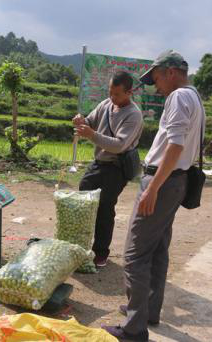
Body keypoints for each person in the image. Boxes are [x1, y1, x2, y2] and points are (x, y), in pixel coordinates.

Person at [102, 50, 206, 341]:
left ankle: (135, 329)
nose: (156, 86)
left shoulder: (178, 97)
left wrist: (152, 187)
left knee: (135, 255)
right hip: (177, 181)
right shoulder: (194, 96)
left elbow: (174, 146)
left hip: (163, 181)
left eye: (157, 78)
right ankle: (148, 310)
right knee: (158, 248)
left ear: (171, 72)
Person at [73, 70, 144, 268]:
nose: (113, 97)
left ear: (129, 93)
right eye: (110, 92)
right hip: (98, 163)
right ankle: (81, 245)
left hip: (116, 167)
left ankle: (100, 253)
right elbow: (90, 120)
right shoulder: (106, 104)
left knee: (105, 208)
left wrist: (91, 134)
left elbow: (119, 145)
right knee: (84, 198)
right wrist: (81, 121)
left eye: (117, 94)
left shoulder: (134, 115)